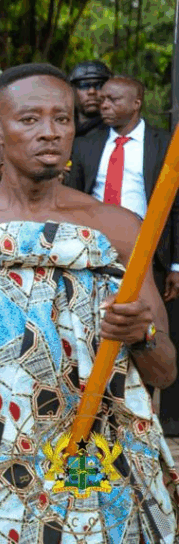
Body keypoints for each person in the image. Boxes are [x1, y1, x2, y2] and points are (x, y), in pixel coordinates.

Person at [0, 63, 178, 544]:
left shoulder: (115, 229)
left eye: (62, 119)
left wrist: (142, 335)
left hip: (88, 460)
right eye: (29, 119)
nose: (49, 133)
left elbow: (164, 372)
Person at [65, 74, 179, 436]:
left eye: (114, 99)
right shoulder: (86, 144)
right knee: (98, 327)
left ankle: (139, 421)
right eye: (103, 100)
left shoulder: (163, 143)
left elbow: (176, 207)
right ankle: (91, 417)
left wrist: (176, 263)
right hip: (93, 250)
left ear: (136, 103)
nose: (104, 105)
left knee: (146, 330)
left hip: (149, 253)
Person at [68, 59, 111, 137]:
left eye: (99, 85)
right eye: (83, 85)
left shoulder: (120, 131)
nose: (92, 91)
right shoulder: (61, 129)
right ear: (72, 90)